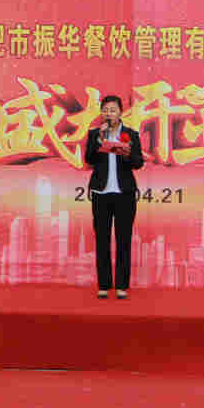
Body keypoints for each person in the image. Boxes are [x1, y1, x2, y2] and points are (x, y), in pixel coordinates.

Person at [85, 94, 144, 299]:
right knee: (102, 239)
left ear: (120, 112)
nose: (109, 113)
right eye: (105, 110)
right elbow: (89, 159)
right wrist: (99, 140)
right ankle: (104, 284)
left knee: (123, 239)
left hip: (124, 193)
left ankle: (121, 285)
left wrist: (126, 153)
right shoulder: (95, 133)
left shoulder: (130, 134)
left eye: (113, 110)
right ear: (101, 113)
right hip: (101, 193)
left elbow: (138, 162)